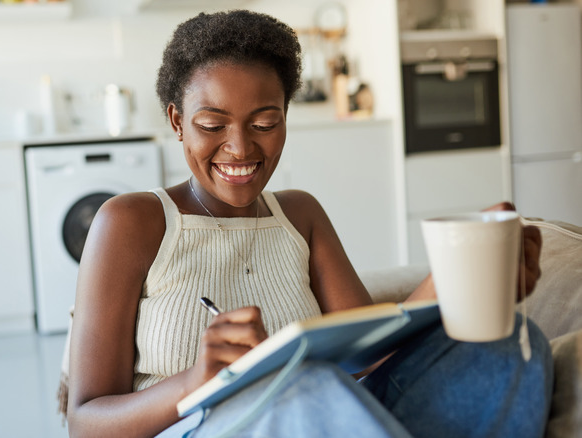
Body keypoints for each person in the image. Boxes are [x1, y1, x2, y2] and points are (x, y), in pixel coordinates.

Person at [65, 10, 552, 438]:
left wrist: (463, 277)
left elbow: (371, 353)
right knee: (304, 383)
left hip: (322, 416)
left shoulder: (300, 214)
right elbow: (85, 423)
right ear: (176, 121)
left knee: (508, 343)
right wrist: (195, 381)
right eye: (212, 125)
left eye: (265, 123)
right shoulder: (131, 222)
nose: (240, 148)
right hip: (208, 427)